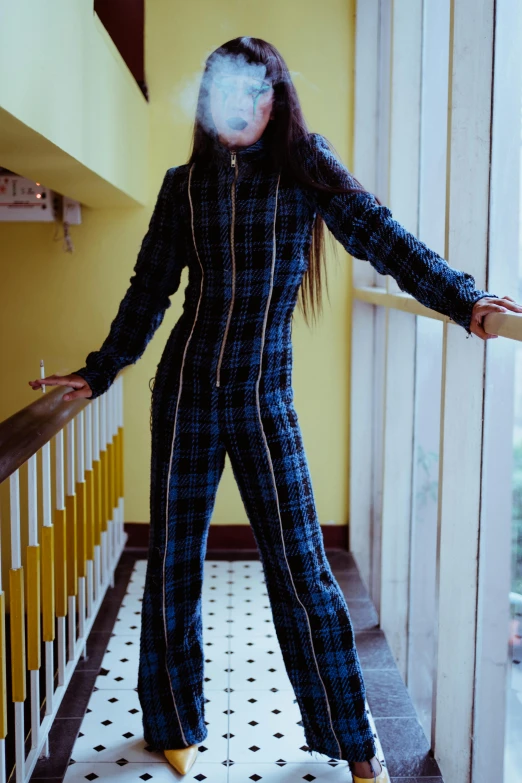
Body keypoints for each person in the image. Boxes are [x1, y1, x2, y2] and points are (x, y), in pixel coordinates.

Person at [29, 36, 521, 780]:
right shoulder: (182, 186)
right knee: (172, 566)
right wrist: (99, 372)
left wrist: (463, 297)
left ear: (274, 99)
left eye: (257, 92)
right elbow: (149, 292)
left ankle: (354, 742)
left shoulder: (307, 167)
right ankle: (173, 722)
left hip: (265, 402)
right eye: (225, 91)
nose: (241, 104)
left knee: (303, 571)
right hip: (186, 395)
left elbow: (382, 237)